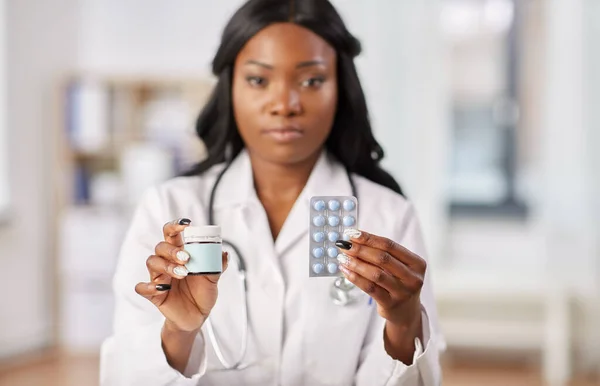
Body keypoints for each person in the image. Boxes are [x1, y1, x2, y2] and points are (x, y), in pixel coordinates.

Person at [100, 0, 444, 384]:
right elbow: (126, 374)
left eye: (312, 80)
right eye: (259, 80)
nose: (285, 104)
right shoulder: (170, 206)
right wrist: (179, 332)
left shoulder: (388, 216)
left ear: (341, 90)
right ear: (230, 88)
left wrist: (403, 322)